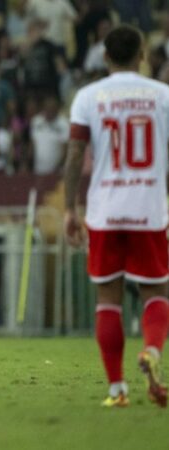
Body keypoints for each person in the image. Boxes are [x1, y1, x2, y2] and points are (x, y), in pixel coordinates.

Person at [65, 25, 169, 408]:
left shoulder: (89, 97)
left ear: (105, 57)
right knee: (156, 293)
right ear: (142, 55)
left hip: (105, 210)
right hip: (149, 208)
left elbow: (76, 155)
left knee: (107, 299)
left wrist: (69, 209)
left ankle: (116, 390)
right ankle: (152, 350)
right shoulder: (164, 96)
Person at [29, 94, 69, 175]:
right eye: (47, 108)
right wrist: (29, 163)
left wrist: (58, 167)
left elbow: (65, 149)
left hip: (56, 171)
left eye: (52, 109)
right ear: (43, 108)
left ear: (57, 109)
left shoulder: (64, 124)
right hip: (38, 170)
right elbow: (32, 144)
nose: (49, 111)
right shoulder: (36, 121)